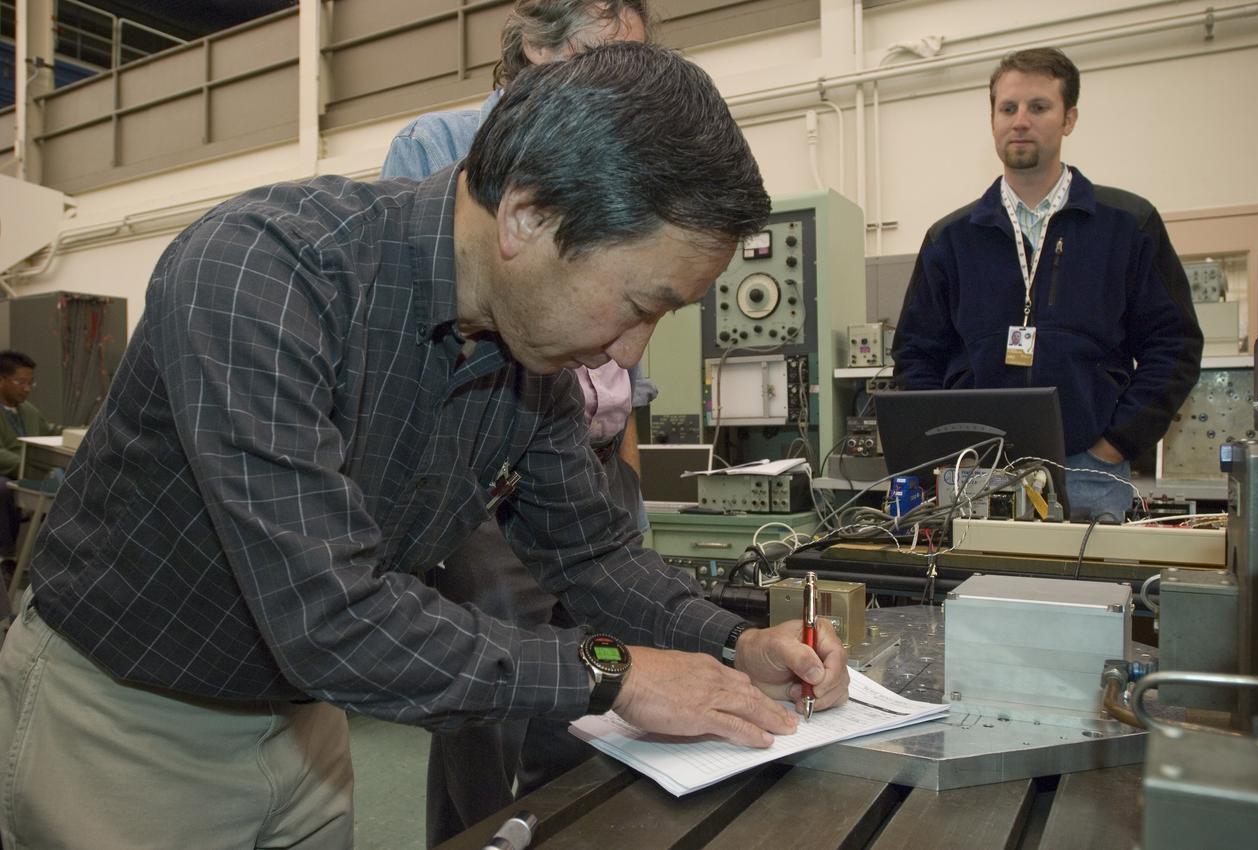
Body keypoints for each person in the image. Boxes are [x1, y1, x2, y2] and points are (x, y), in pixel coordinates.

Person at [0, 43, 850, 850]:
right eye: (639, 304)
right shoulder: (262, 275)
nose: (629, 354)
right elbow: (332, 614)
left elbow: (589, 552)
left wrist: (728, 642)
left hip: (302, 723)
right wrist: (611, 670)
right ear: (526, 216)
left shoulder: (530, 355)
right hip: (124, 723)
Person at [381, 2, 656, 843]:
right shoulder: (436, 149)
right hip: (484, 471)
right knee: (487, 693)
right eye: (607, 57)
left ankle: (558, 827)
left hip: (597, 461)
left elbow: (626, 355)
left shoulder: (628, 165)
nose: (627, 87)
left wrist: (627, 475)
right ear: (539, 43)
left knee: (592, 690)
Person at [891, 47, 1202, 521]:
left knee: (1085, 595)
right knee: (968, 595)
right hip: (975, 474)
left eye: (1039, 107)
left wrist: (1115, 445)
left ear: (1068, 118)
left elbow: (1174, 346)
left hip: (1089, 471)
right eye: (1007, 108)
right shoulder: (949, 240)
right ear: (992, 118)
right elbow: (916, 356)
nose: (1020, 121)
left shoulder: (1127, 225)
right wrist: (948, 452)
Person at [0, 350, 61, 560]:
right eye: (20, 382)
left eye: (30, 383)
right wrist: (25, 466)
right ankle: (6, 558)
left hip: (28, 474)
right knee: (2, 489)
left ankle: (49, 558)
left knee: (65, 487)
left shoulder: (28, 410)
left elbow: (51, 432)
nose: (26, 389)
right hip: (8, 474)